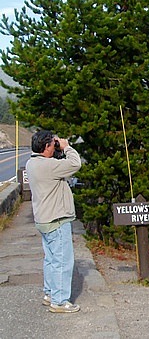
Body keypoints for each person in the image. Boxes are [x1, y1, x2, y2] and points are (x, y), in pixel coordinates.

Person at [26, 130, 82, 313]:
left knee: (50, 259)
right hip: (57, 219)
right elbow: (75, 164)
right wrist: (66, 147)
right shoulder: (50, 166)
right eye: (52, 144)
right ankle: (59, 301)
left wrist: (56, 146)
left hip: (43, 218)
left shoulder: (32, 163)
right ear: (46, 147)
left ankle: (50, 293)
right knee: (63, 261)